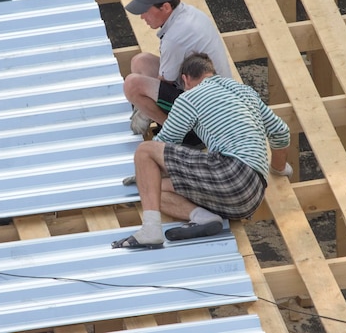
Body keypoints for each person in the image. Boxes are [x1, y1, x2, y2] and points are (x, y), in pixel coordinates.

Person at [112, 53, 292, 249]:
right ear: (210, 72)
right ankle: (204, 218)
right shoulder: (246, 92)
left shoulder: (190, 97)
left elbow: (165, 142)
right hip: (251, 198)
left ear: (185, 79)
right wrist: (278, 168)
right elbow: (281, 131)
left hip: (229, 172)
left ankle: (150, 231)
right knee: (153, 190)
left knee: (145, 151)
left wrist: (142, 169)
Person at [123, 0, 233, 145]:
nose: (142, 17)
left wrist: (144, 109)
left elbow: (164, 82)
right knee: (140, 61)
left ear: (165, 7)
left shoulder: (176, 37)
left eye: (146, 11)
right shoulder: (189, 13)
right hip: (209, 95)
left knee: (132, 85)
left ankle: (176, 134)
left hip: (208, 116)